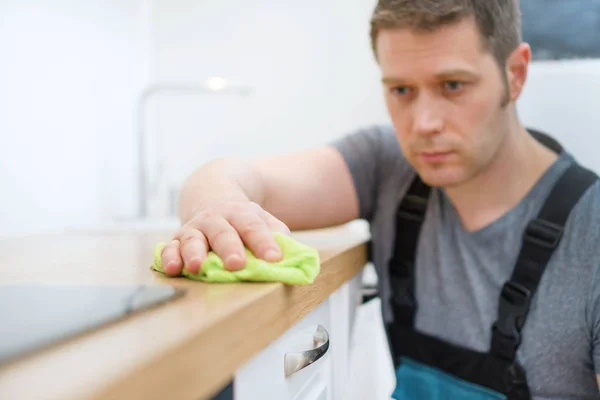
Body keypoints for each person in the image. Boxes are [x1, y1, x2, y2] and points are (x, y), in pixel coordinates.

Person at [160, 0, 600, 398]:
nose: (423, 122)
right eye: (401, 91)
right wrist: (214, 208)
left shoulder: (592, 234)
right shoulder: (388, 166)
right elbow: (230, 176)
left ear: (515, 74)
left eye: (452, 85)